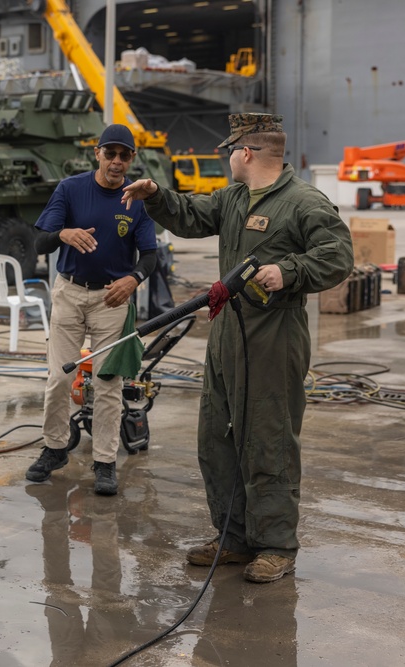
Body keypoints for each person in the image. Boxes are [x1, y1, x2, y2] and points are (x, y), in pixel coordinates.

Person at [121, 113, 354, 582]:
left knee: (268, 439)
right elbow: (190, 215)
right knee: (216, 437)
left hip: (274, 336)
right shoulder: (234, 198)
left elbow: (338, 256)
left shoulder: (303, 202)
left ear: (246, 152)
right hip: (228, 333)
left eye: (231, 149)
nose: (228, 156)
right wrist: (156, 197)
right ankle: (233, 535)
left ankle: (275, 545)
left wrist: (288, 271)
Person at [25, 124, 158, 495]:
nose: (117, 161)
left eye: (124, 155)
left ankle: (104, 462)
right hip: (69, 293)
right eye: (110, 153)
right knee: (59, 379)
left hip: (111, 300)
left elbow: (149, 255)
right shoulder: (70, 190)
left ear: (132, 158)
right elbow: (39, 241)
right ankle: (54, 449)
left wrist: (134, 279)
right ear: (97, 153)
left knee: (108, 384)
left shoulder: (137, 200)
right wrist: (63, 234)